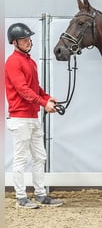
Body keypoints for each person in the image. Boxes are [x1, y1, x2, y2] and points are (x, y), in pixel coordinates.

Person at [5, 23, 64, 209]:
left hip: (32, 116)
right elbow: (22, 90)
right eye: (24, 39)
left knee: (40, 157)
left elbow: (34, 88)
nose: (29, 42)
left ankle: (40, 194)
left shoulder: (30, 62)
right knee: (21, 159)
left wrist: (47, 98)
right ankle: (21, 198)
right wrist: (43, 103)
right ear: (15, 42)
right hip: (20, 118)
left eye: (29, 39)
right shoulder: (13, 62)